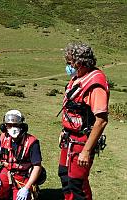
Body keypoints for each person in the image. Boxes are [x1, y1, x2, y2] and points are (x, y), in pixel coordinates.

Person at [58, 42, 109, 200]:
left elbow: (101, 120)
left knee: (77, 184)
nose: (68, 66)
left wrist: (86, 151)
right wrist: (64, 130)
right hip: (69, 137)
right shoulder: (78, 78)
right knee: (65, 175)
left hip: (82, 141)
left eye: (70, 63)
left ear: (79, 63)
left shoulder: (95, 84)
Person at [0, 110, 46, 200]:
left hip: (23, 176)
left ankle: (31, 190)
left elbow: (37, 167)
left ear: (22, 126)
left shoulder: (32, 142)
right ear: (5, 126)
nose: (13, 128)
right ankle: (7, 193)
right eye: (9, 125)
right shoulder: (2, 137)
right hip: (7, 172)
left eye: (16, 125)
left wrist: (26, 187)